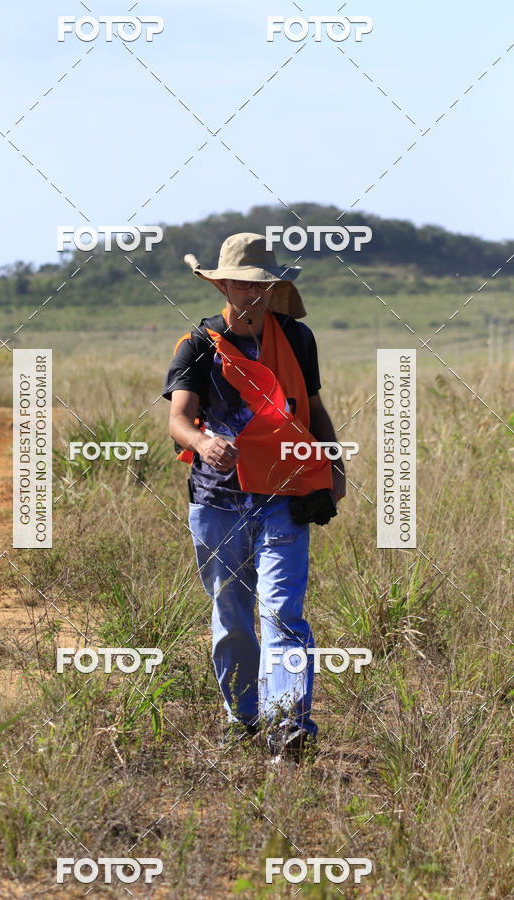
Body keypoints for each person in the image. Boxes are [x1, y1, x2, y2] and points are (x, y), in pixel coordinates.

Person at [162, 232, 346, 760]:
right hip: (218, 501)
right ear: (222, 285)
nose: (253, 294)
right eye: (243, 285)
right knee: (233, 620)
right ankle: (242, 720)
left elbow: (311, 408)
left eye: (263, 285)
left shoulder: (298, 339)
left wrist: (333, 462)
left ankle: (288, 723)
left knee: (284, 612)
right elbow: (178, 420)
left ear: (274, 288)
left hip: (286, 495)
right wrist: (203, 441)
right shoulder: (198, 345)